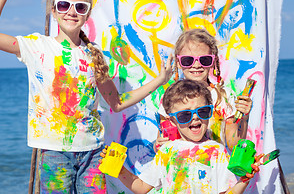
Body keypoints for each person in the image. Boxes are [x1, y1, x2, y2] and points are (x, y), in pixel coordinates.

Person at [0, 0, 173, 193]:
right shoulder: (36, 46)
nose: (71, 11)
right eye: (64, 5)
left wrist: (160, 80)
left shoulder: (93, 54)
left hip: (94, 154)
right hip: (53, 154)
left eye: (80, 7)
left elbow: (117, 102)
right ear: (54, 10)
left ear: (87, 14)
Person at [100, 80, 260, 194]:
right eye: (185, 115)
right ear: (172, 120)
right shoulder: (167, 151)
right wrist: (119, 170)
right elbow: (141, 187)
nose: (195, 118)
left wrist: (244, 180)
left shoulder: (216, 151)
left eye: (203, 111)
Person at [154, 28, 252, 152]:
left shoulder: (224, 97)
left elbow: (234, 145)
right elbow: (162, 144)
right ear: (178, 62)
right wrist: (157, 145)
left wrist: (244, 119)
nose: (196, 65)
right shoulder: (170, 98)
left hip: (214, 166)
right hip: (180, 168)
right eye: (188, 60)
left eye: (204, 60)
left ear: (213, 61)